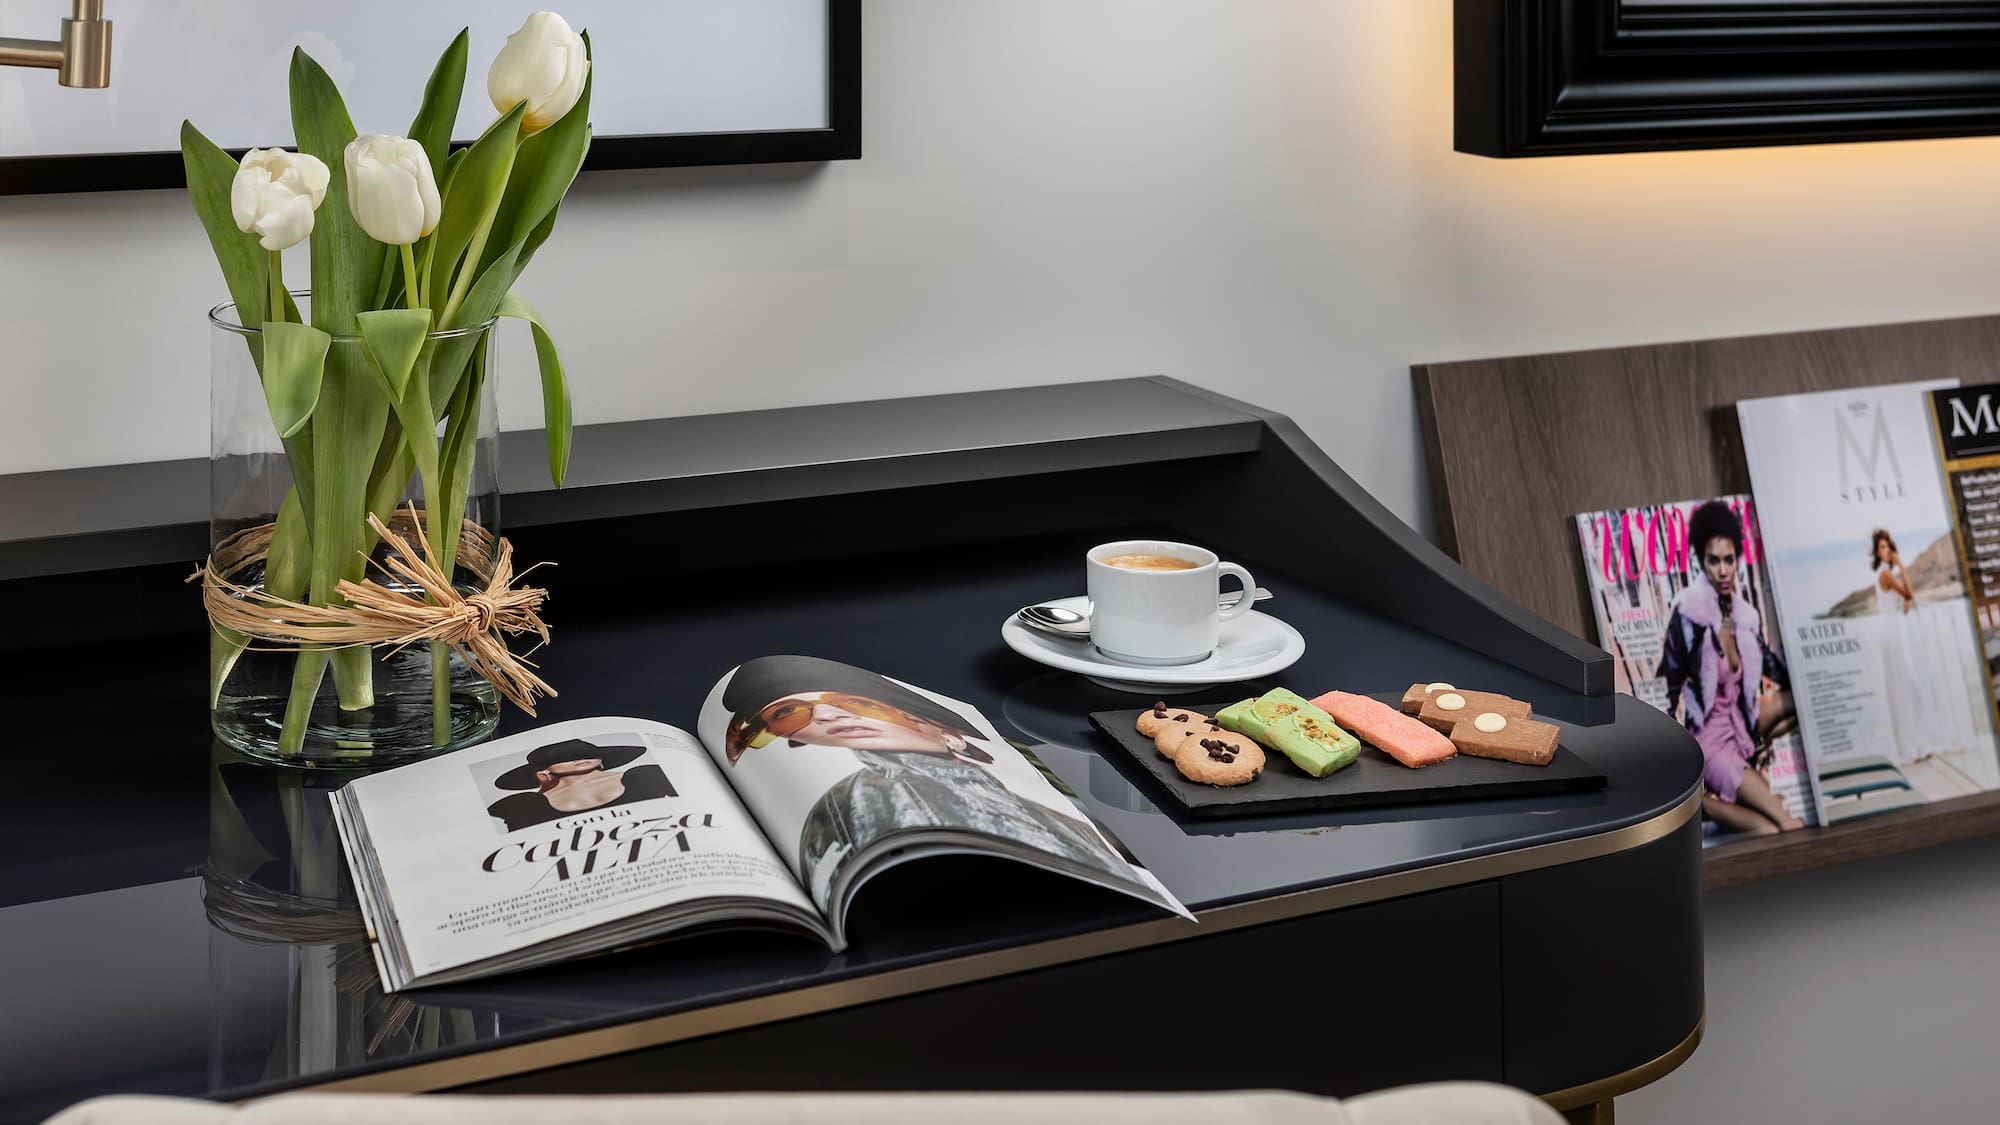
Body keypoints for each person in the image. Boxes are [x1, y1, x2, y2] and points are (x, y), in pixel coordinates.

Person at [721, 656, 1117, 908]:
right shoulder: (861, 800)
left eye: (860, 704)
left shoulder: (1039, 781)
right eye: (789, 713)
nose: (826, 716)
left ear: (942, 729)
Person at [1658, 501, 1804, 836]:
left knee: (1803, 699)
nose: (1723, 570)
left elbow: (1776, 671)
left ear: (1737, 560)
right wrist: (1676, 771)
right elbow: (1668, 689)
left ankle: (1758, 749)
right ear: (1702, 562)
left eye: (1728, 560)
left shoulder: (1744, 618)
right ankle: (1704, 803)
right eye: (1714, 561)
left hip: (1741, 723)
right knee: (1781, 825)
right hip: (1709, 742)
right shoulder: (1689, 617)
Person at [484, 738, 674, 833]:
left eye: (585, 754)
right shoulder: (524, 804)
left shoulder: (646, 775)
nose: (578, 759)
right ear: (543, 770)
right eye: (564, 758)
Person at [1871, 529, 1938, 764]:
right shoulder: (1886, 574)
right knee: (1905, 685)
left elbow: (1905, 601)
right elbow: (1909, 592)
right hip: (1892, 632)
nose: (1887, 550)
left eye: (1889, 546)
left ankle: (1918, 744)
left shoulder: (1886, 574)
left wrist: (1905, 601)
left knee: (1907, 686)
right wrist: (1902, 565)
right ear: (1877, 552)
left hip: (1895, 629)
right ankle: (1911, 747)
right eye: (1883, 547)